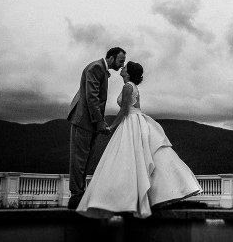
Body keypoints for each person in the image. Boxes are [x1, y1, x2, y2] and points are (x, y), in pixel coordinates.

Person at [76, 61, 201, 218]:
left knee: (127, 160)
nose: (122, 68)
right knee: (137, 159)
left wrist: (111, 127)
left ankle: (124, 200)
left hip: (131, 121)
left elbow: (124, 110)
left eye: (124, 67)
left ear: (128, 73)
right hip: (137, 120)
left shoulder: (128, 86)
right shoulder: (133, 86)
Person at [67, 47, 126, 209]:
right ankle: (76, 195)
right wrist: (100, 123)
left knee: (85, 158)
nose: (122, 65)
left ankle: (79, 193)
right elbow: (92, 97)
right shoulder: (96, 67)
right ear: (111, 58)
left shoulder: (101, 69)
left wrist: (100, 122)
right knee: (79, 158)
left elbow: (97, 101)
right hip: (83, 120)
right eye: (121, 61)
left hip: (90, 121)